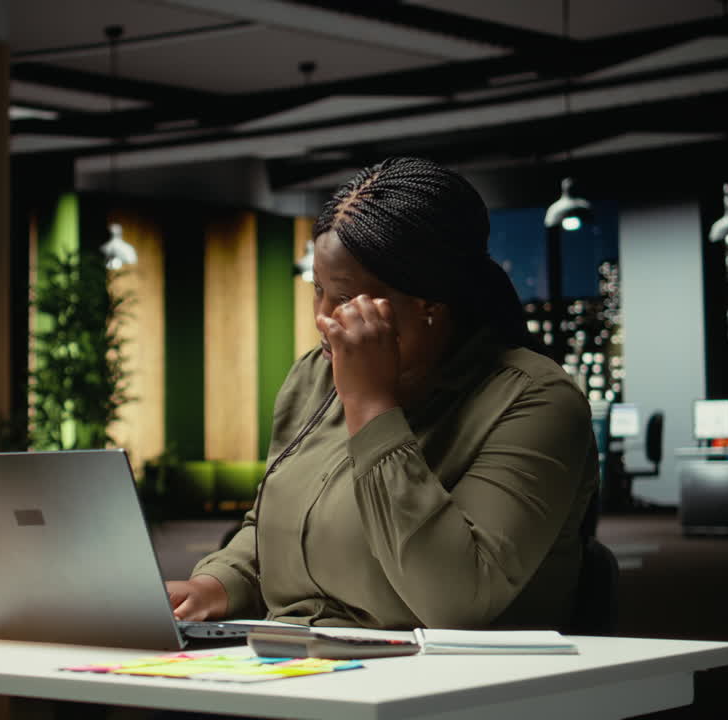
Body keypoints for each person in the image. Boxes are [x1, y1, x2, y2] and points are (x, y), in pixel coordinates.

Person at [167, 157, 599, 630]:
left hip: (447, 684)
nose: (324, 318)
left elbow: (457, 601)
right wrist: (217, 584)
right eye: (319, 290)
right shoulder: (314, 376)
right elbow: (277, 523)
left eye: (347, 297)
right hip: (304, 664)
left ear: (431, 303)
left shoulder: (536, 400)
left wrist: (371, 407)